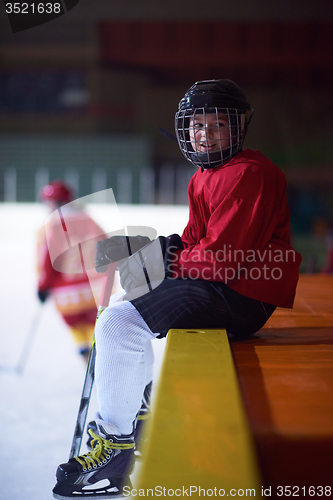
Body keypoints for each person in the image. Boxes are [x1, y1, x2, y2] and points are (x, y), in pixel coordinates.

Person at [52, 80, 302, 498]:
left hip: (242, 294)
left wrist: (164, 259)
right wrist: (155, 251)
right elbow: (195, 241)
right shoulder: (205, 176)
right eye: (195, 125)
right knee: (126, 299)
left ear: (237, 128)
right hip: (227, 285)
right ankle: (139, 406)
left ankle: (115, 447)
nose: (203, 134)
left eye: (216, 125)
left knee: (118, 322)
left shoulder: (249, 175)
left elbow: (221, 260)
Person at [37, 180, 107, 361]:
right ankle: (96, 359)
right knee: (94, 328)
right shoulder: (87, 219)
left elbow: (48, 260)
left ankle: (87, 357)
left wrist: (43, 286)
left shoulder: (53, 223)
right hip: (92, 290)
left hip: (66, 293)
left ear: (57, 202)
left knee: (77, 329)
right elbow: (107, 245)